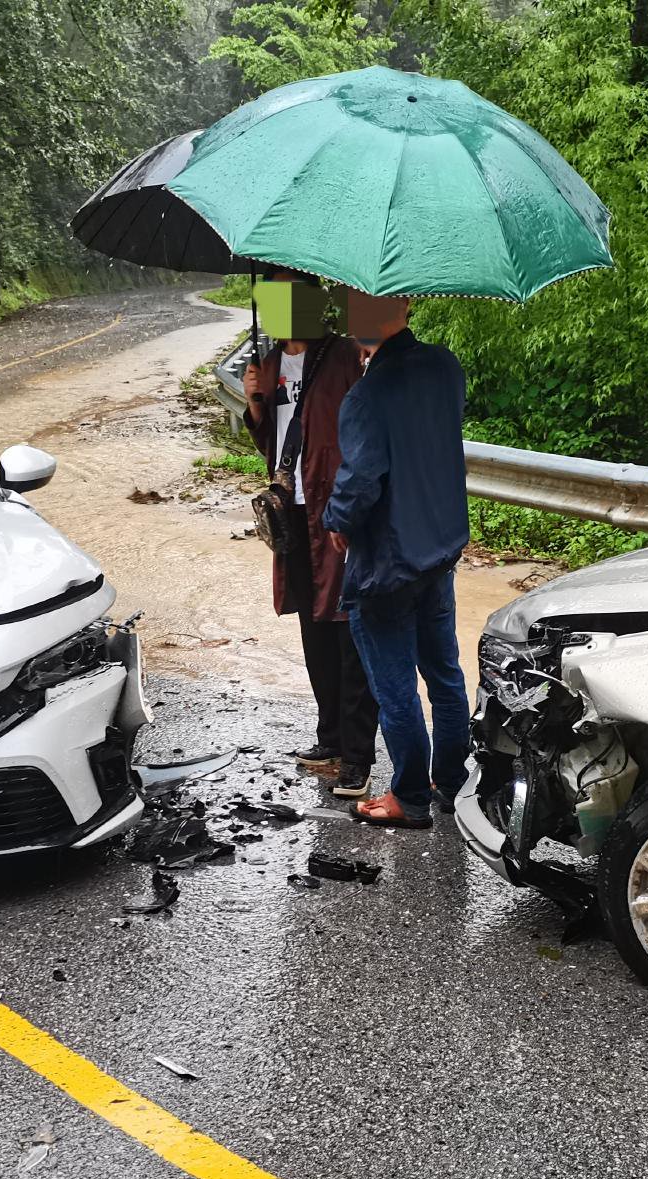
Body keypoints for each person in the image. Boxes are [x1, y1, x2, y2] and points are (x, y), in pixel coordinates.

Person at [321, 291, 472, 830]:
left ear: (405, 304)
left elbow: (361, 478)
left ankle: (409, 798)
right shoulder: (445, 367)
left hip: (387, 563)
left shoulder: (365, 395)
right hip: (439, 547)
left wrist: (337, 521)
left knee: (395, 689)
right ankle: (452, 783)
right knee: (446, 675)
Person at [242, 274, 377, 798]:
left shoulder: (345, 359)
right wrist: (255, 404)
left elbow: (362, 435)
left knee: (347, 628)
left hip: (335, 512)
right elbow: (274, 446)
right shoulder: (270, 365)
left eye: (286, 297)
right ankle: (330, 738)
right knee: (312, 624)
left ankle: (357, 755)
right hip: (292, 514)